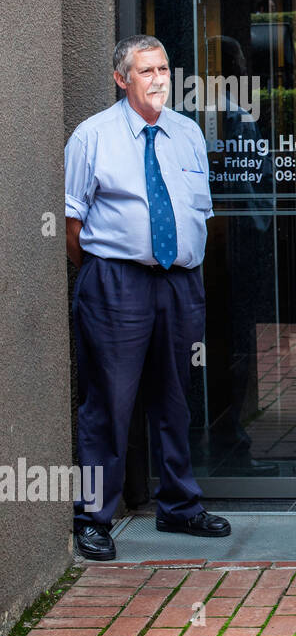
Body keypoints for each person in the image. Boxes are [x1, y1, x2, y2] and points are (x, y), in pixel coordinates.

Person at [64, 35, 231, 561]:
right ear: (121, 79)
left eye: (163, 68)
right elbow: (72, 225)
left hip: (180, 283)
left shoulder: (186, 133)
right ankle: (94, 518)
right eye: (146, 71)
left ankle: (179, 506)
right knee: (108, 404)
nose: (159, 79)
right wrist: (107, 271)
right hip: (117, 283)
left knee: (176, 398)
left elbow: (199, 213)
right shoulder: (93, 136)